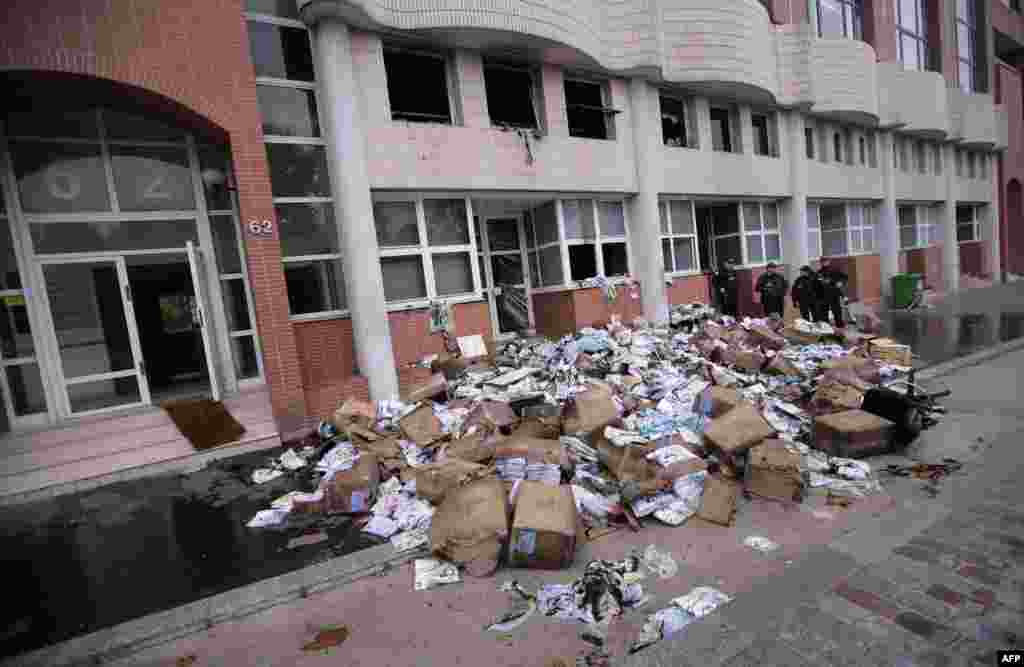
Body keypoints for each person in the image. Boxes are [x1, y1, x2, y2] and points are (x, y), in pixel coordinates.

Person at [817, 258, 849, 327]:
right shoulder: (819, 272)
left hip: (834, 294)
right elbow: (816, 284)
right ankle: (825, 327)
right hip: (823, 296)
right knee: (823, 313)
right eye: (822, 262)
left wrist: (841, 282)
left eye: (825, 261)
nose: (824, 263)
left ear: (828, 262)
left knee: (837, 311)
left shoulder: (834, 270)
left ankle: (840, 325)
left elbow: (845, 277)